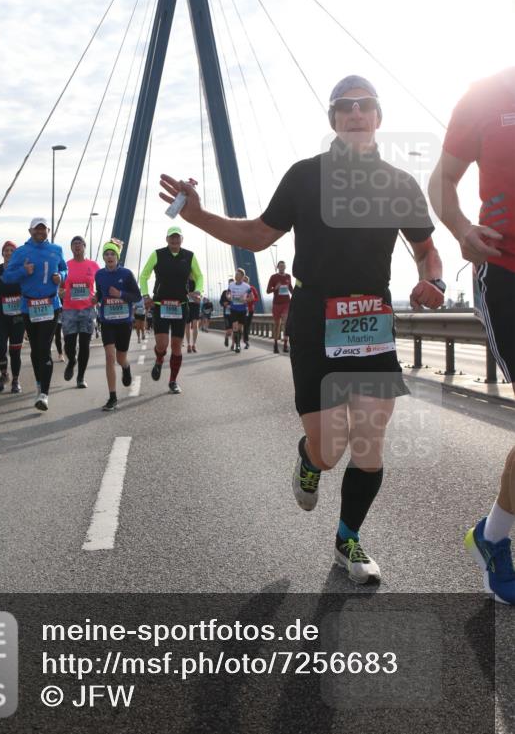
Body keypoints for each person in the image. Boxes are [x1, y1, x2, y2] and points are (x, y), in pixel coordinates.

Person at [160, 75, 445, 584]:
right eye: (345, 107)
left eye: (366, 106)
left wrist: (434, 279)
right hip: (317, 319)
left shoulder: (400, 183)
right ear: (334, 119)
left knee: (370, 440)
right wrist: (199, 216)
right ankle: (307, 459)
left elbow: (425, 247)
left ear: (378, 117)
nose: (356, 113)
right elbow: (257, 233)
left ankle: (348, 541)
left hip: (373, 321)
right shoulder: (305, 176)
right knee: (331, 449)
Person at [429, 66, 515, 604]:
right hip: (507, 272)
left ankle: (491, 535)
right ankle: (494, 537)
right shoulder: (486, 95)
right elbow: (441, 179)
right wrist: (461, 229)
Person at [2, 217, 66, 411]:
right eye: (36, 229)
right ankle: (39, 384)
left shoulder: (56, 250)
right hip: (29, 306)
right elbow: (7, 277)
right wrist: (24, 270)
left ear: (48, 230)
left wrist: (61, 277)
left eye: (43, 229)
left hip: (51, 304)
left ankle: (44, 395)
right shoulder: (21, 252)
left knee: (44, 348)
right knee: (36, 349)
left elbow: (64, 268)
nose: (40, 232)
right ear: (30, 231)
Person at [139, 226, 204, 394]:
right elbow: (144, 275)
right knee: (162, 344)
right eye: (171, 238)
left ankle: (173, 381)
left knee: (176, 346)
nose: (174, 240)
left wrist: (198, 290)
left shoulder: (189, 256)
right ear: (167, 239)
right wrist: (146, 295)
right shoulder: (157, 254)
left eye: (177, 238)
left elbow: (199, 276)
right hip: (161, 305)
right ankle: (159, 359)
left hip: (181, 307)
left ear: (182, 239)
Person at [94, 240, 141, 411]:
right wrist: (96, 299)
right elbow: (100, 293)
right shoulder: (99, 275)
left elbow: (136, 296)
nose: (109, 256)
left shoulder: (127, 274)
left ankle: (126, 367)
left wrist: (120, 294)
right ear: (104, 257)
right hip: (107, 322)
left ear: (117, 256)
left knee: (121, 358)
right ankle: (112, 397)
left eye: (112, 253)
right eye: (106, 254)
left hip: (124, 322)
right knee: (109, 357)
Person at [0, 241, 25, 394]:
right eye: (6, 250)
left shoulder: (21, 271)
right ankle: (4, 374)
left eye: (11, 250)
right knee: (0, 349)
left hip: (17, 317)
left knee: (15, 351)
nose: (8, 253)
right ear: (2, 253)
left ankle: (15, 380)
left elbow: (27, 289)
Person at [61, 235, 99, 389]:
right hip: (69, 309)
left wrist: (98, 296)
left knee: (84, 344)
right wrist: (59, 291)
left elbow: (101, 283)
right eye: (74, 244)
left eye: (80, 244)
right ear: (71, 248)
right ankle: (71, 360)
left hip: (87, 309)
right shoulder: (65, 265)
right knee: (69, 345)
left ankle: (81, 377)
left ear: (84, 246)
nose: (77, 246)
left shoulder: (93, 265)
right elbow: (58, 284)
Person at [267, 260, 293, 354]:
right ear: (278, 267)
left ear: (285, 267)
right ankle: (275, 345)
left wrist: (296, 296)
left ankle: (285, 345)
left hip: (287, 303)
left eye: (283, 266)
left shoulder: (288, 276)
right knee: (277, 325)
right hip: (276, 304)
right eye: (280, 266)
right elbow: (268, 291)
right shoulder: (273, 277)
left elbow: (290, 288)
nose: (282, 267)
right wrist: (275, 288)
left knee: (286, 323)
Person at [227, 269, 251, 353]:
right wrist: (229, 297)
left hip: (242, 310)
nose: (236, 276)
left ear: (242, 276)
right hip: (234, 309)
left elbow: (251, 297)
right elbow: (228, 293)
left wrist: (245, 300)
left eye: (238, 274)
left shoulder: (246, 286)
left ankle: (237, 344)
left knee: (240, 329)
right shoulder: (231, 285)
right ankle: (237, 345)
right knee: (235, 327)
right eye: (235, 274)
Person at [185, 276, 201, 353]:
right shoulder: (184, 281)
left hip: (195, 306)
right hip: (186, 305)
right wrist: (193, 295)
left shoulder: (197, 281)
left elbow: (198, 299)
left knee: (195, 325)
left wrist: (189, 294)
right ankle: (188, 344)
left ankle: (194, 344)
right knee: (187, 325)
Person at [243, 275, 259, 349]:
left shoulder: (252, 288)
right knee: (240, 326)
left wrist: (251, 300)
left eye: (246, 280)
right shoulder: (241, 289)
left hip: (250, 310)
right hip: (240, 309)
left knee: (246, 326)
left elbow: (256, 298)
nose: (245, 282)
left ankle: (246, 341)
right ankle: (238, 340)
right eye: (244, 280)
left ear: (248, 281)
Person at [219, 279, 234, 348]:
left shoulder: (236, 292)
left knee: (234, 330)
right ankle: (226, 337)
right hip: (227, 314)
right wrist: (223, 304)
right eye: (230, 284)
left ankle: (233, 345)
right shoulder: (225, 292)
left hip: (234, 313)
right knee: (229, 331)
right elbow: (220, 302)